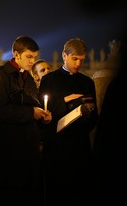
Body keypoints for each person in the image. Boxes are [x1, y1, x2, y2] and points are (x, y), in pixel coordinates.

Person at [0, 36, 52, 206]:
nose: (32, 61)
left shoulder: (28, 78)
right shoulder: (0, 76)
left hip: (29, 146)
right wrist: (30, 113)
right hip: (9, 146)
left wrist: (43, 116)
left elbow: (34, 104)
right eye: (29, 57)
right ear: (16, 54)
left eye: (34, 57)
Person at [38, 38, 99, 206]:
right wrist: (65, 100)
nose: (78, 63)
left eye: (82, 59)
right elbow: (43, 109)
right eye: (75, 59)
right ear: (64, 55)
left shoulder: (87, 82)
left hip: (80, 144)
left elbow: (94, 115)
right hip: (57, 145)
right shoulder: (49, 79)